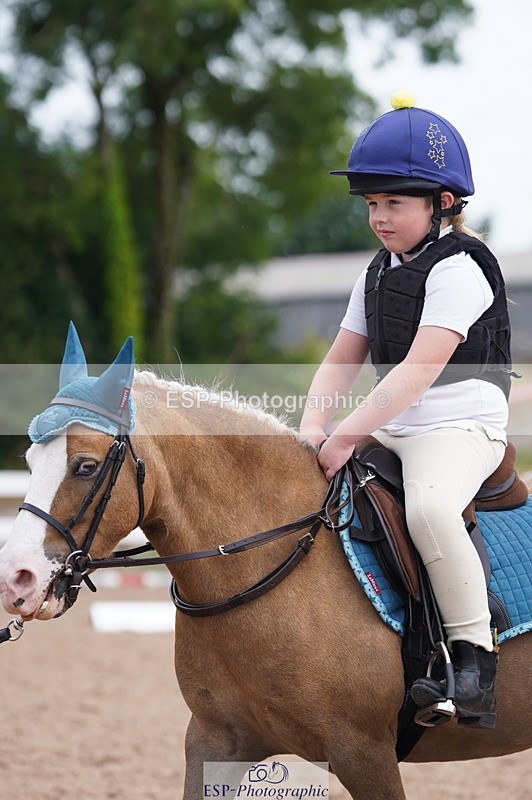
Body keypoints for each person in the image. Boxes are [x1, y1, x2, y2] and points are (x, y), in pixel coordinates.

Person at [299, 93, 515, 729]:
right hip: (396, 422)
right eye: (372, 204)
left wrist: (345, 436)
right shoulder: (376, 272)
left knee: (426, 507)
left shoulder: (463, 269)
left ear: (442, 204)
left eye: (394, 203)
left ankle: (475, 661)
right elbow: (343, 358)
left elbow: (419, 371)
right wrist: (313, 425)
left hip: (461, 422)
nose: (379, 218)